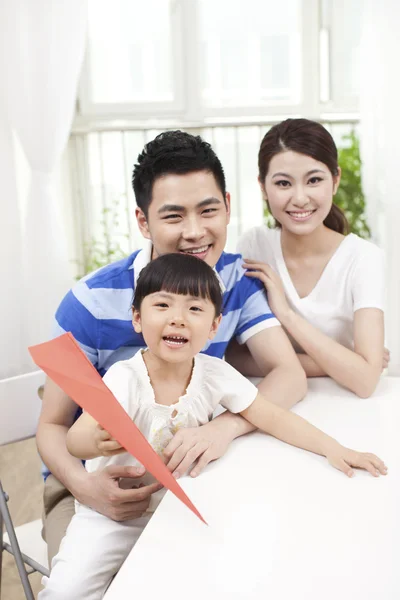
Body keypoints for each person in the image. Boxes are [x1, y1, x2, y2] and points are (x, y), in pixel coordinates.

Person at [38, 253, 387, 600]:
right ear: (137, 318)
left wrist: (335, 449)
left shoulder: (214, 374)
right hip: (113, 515)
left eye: (194, 309)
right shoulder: (125, 378)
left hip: (182, 509)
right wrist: (98, 440)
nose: (178, 319)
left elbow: (273, 417)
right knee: (67, 590)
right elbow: (76, 439)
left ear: (215, 325)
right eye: (162, 306)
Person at [36, 130, 307, 565]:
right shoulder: (89, 302)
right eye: (174, 216)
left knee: (257, 557)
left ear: (228, 207)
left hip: (183, 469)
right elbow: (51, 426)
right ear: (143, 222)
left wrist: (225, 428)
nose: (195, 232)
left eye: (208, 210)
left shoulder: (235, 280)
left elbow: (287, 374)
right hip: (89, 479)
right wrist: (86, 488)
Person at [234, 118, 387, 398]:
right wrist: (341, 361)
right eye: (283, 183)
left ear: (336, 180)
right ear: (263, 186)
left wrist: (287, 315)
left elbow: (366, 382)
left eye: (314, 180)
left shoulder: (363, 259)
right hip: (276, 398)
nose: (300, 198)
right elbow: (233, 357)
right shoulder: (253, 247)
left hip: (346, 406)